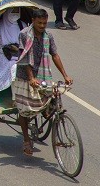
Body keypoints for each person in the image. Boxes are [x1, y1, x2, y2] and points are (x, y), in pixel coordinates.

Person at [13, 8, 72, 156]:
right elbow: (24, 58)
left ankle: (44, 115)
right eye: (39, 23)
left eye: (44, 23)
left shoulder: (48, 36)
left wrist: (65, 75)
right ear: (33, 21)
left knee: (52, 97)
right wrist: (31, 77)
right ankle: (26, 139)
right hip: (25, 75)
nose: (42, 26)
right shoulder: (24, 35)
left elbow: (55, 54)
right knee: (25, 110)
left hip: (43, 74)